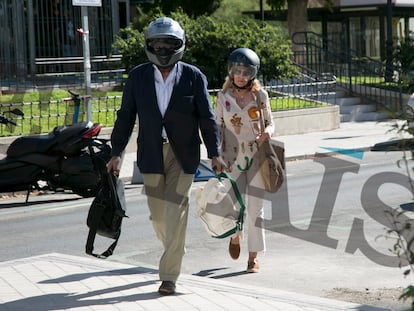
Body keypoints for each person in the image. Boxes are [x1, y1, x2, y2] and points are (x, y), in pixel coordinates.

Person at [106, 17, 225, 296]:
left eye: (168, 44)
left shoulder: (194, 76)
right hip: (150, 153)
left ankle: (169, 275)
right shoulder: (137, 77)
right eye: (157, 43)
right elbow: (125, 117)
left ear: (179, 45)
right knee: (159, 217)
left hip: (183, 154)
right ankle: (173, 246)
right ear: (149, 45)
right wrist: (116, 153)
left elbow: (207, 119)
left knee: (176, 210)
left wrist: (215, 152)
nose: (162, 49)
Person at [215, 48, 274, 273]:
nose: (240, 75)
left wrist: (267, 132)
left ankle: (253, 257)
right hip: (231, 158)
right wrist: (216, 156)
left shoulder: (261, 96)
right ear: (231, 71)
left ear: (253, 73)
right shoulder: (223, 97)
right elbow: (217, 127)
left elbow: (271, 122)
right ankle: (235, 235)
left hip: (257, 156)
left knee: (255, 208)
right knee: (233, 205)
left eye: (245, 71)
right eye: (236, 71)